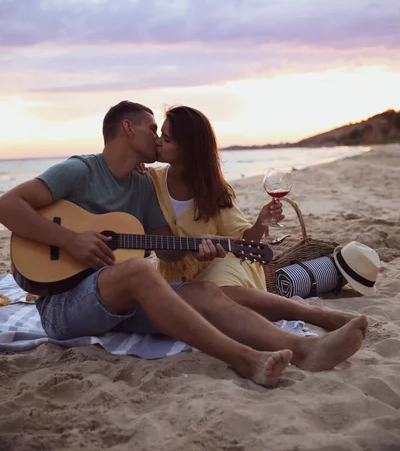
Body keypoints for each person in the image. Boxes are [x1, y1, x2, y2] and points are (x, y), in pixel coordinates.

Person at [0, 100, 367, 385]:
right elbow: (7, 205)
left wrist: (197, 245)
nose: (157, 137)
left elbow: (166, 248)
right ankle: (243, 358)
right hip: (63, 307)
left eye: (163, 132)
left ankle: (306, 349)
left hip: (114, 305)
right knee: (138, 272)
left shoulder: (143, 185)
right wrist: (71, 239)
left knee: (206, 290)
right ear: (128, 128)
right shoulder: (80, 170)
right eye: (152, 128)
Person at [147, 105, 359, 332]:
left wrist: (262, 222)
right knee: (202, 305)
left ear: (189, 149)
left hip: (223, 265)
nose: (158, 141)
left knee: (215, 290)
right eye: (160, 135)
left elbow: (246, 241)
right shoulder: (149, 181)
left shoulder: (215, 190)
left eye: (166, 139)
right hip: (176, 279)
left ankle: (310, 313)